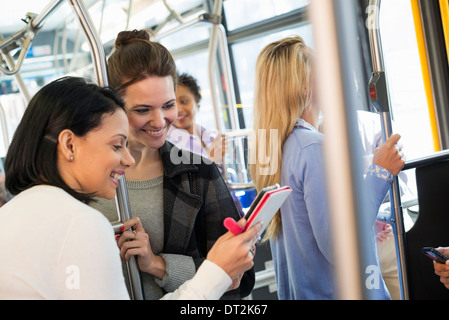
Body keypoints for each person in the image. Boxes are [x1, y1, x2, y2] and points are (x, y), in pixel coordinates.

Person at [0, 76, 261, 299]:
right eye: (116, 145)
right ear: (69, 144)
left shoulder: (12, 216)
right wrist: (215, 272)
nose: (128, 159)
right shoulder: (80, 223)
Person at [91, 29, 255, 300]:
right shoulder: (86, 179)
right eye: (142, 110)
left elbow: (241, 278)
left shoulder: (199, 173)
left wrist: (158, 264)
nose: (159, 121)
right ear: (113, 106)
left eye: (168, 105)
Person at [249, 36, 405, 300]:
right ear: (305, 87)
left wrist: (365, 222)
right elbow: (340, 247)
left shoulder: (275, 148)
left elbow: (309, 226)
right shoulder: (314, 148)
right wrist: (380, 174)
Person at [167, 72, 227, 164]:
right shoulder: (169, 143)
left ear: (196, 101)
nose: (178, 110)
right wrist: (212, 160)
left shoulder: (204, 133)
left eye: (184, 101)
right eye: (171, 105)